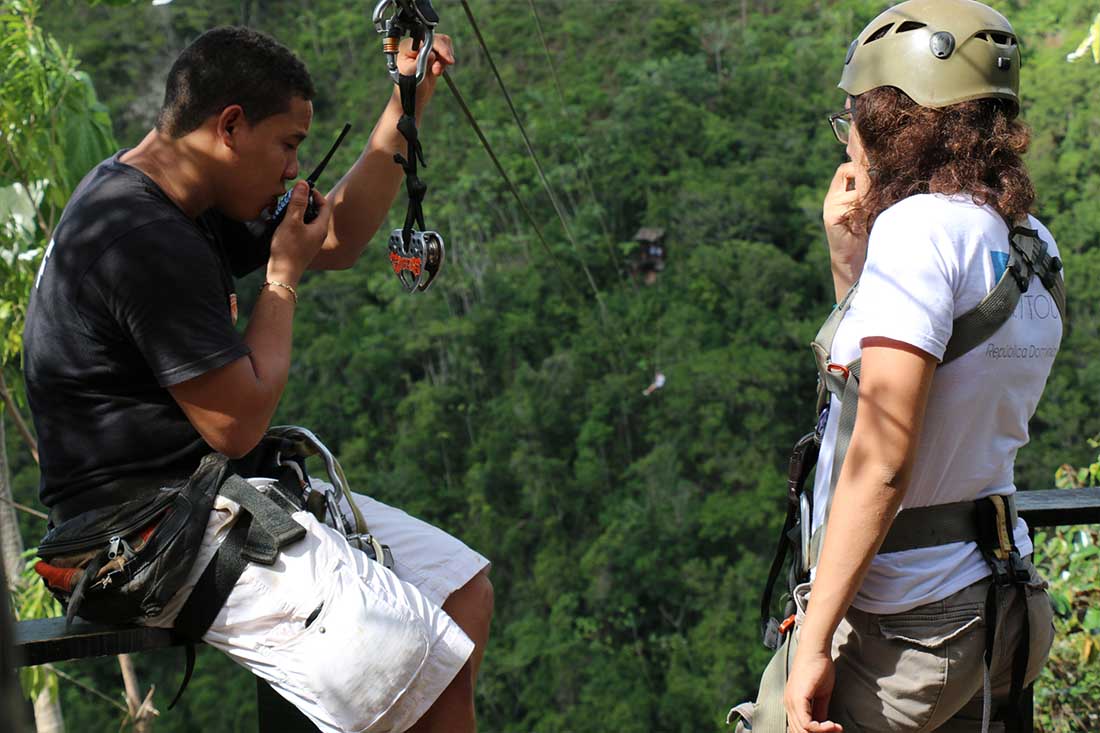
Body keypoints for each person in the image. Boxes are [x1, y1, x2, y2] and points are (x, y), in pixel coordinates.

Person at [22, 26, 492, 733]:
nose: (293, 168)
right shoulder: (140, 236)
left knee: (460, 592)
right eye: (287, 145)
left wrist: (408, 96)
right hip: (141, 529)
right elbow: (236, 420)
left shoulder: (188, 188)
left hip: (207, 490)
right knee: (417, 659)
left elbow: (335, 235)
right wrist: (280, 279)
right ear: (230, 126)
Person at [784, 1, 1062, 731]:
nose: (849, 141)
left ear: (893, 118)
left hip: (910, 625)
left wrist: (815, 637)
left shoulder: (919, 231)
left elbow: (881, 458)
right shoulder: (1031, 242)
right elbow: (934, 402)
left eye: (854, 119)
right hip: (1002, 601)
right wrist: (851, 266)